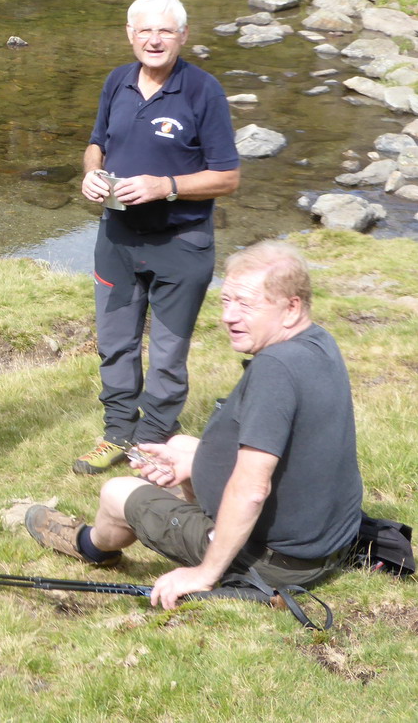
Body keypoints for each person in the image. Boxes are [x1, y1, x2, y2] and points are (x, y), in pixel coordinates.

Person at [24, 241, 362, 607]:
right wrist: (198, 464)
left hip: (278, 562)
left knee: (116, 493)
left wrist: (205, 574)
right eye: (226, 301)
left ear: (292, 307)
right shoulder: (318, 342)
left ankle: (90, 546)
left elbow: (252, 490)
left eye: (245, 304)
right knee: (181, 445)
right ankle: (187, 478)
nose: (228, 317)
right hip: (329, 542)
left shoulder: (275, 369)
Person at [75, 0, 240, 474]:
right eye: (144, 30)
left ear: (183, 37)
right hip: (118, 240)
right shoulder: (117, 81)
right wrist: (91, 172)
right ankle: (116, 434)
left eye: (165, 31)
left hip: (181, 245)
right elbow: (96, 143)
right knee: (115, 343)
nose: (154, 40)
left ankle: (152, 440)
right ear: (130, 35)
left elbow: (227, 177)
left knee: (168, 353)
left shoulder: (202, 90)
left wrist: (163, 186)